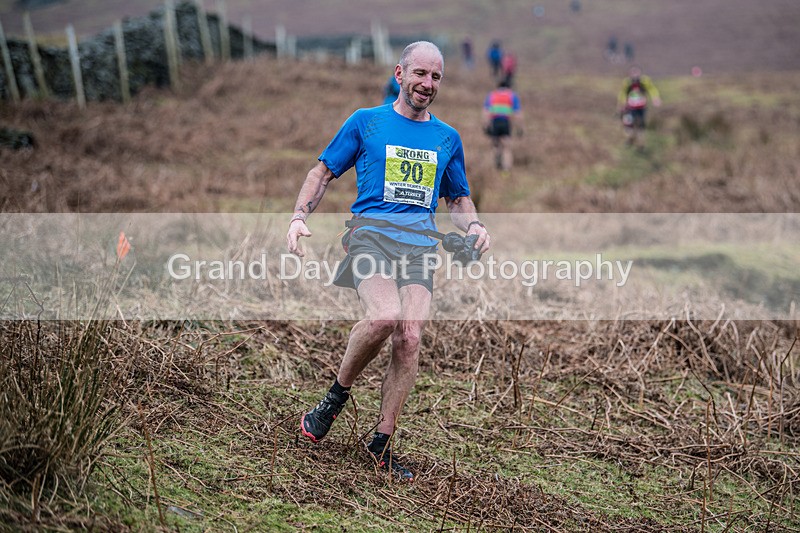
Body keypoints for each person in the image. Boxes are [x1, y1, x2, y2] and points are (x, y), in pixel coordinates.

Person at [287, 41, 490, 481]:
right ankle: (334, 400)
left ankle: (381, 442)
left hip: (419, 247)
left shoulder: (447, 138)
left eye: (435, 77)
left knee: (410, 337)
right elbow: (321, 173)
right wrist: (299, 217)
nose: (427, 84)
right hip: (370, 239)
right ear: (399, 74)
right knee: (384, 319)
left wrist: (473, 227)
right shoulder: (366, 122)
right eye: (420, 74)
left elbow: (457, 198)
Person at [617, 66, 661, 148]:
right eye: (633, 73)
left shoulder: (644, 81)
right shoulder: (627, 83)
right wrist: (622, 104)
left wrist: (655, 98)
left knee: (641, 124)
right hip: (630, 107)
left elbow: (652, 89)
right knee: (629, 124)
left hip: (641, 107)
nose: (635, 75)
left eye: (636, 73)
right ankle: (629, 139)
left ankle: (641, 143)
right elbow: (622, 93)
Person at [483, 79, 521, 171]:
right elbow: (517, 113)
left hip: (495, 123)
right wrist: (519, 127)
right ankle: (506, 169)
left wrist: (486, 125)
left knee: (495, 146)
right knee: (506, 147)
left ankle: (494, 167)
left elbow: (486, 111)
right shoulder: (512, 96)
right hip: (506, 123)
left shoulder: (492, 95)